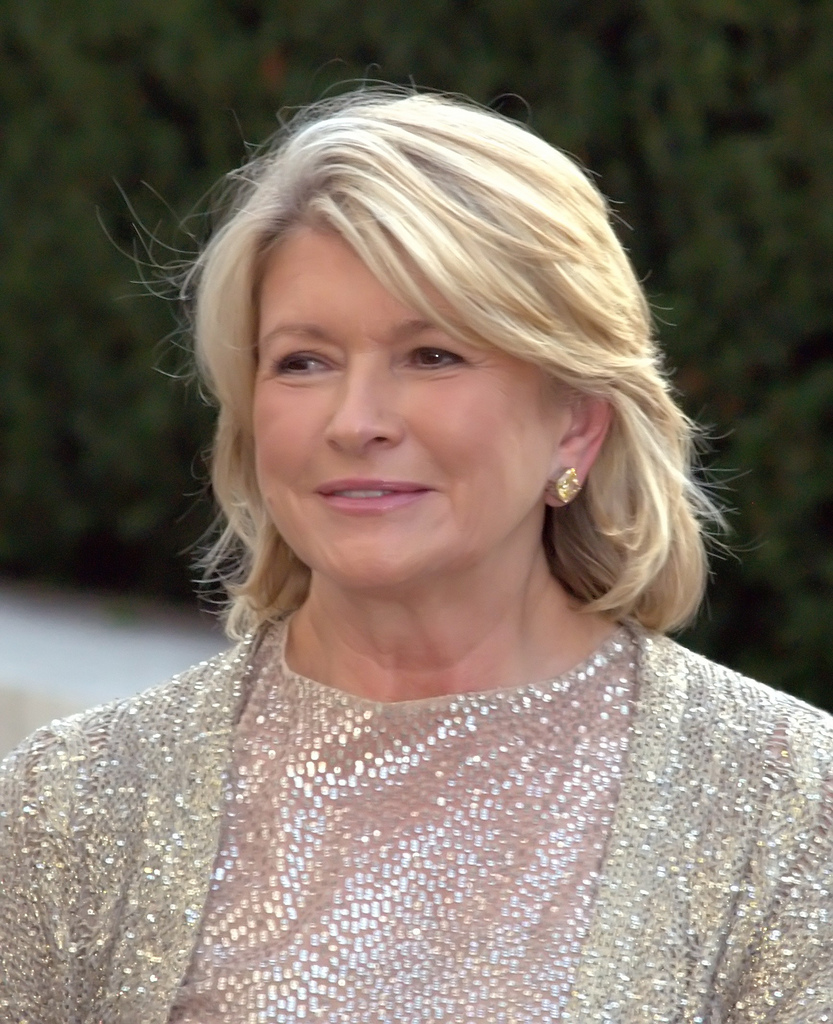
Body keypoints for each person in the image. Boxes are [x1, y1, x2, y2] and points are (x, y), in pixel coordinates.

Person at [1, 88, 831, 1024]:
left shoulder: (783, 803)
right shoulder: (75, 800)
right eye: (303, 361)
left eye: (431, 355)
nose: (355, 421)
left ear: (575, 422)